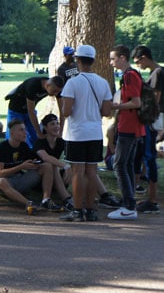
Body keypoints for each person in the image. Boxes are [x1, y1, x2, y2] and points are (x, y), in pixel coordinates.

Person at [58, 45, 113, 221]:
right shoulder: (103, 82)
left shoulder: (72, 82)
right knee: (92, 172)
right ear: (93, 60)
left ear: (78, 60)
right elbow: (106, 111)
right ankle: (91, 210)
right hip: (95, 132)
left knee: (77, 172)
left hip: (76, 133)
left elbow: (66, 112)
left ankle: (77, 210)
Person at [107, 44, 144, 220]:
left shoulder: (129, 76)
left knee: (119, 164)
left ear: (123, 58)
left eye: (113, 58)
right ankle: (129, 202)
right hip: (133, 126)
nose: (111, 62)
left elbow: (136, 102)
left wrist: (117, 106)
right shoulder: (130, 74)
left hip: (129, 126)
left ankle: (129, 206)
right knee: (127, 164)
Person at [0, 120, 58, 213]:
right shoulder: (1, 148)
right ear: (12, 133)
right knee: (1, 182)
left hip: (20, 180)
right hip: (6, 183)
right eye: (21, 130)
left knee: (47, 166)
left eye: (25, 130)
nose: (25, 133)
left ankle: (46, 200)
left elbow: (32, 161)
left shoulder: (24, 146)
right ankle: (29, 204)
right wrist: (21, 166)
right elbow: (0, 173)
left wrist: (34, 164)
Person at [132, 45, 161, 214]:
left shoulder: (157, 73)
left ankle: (152, 200)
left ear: (144, 57)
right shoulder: (156, 72)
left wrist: (146, 118)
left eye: (138, 62)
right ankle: (150, 198)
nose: (138, 66)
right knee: (146, 156)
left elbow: (155, 99)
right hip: (154, 121)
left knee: (149, 158)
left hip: (152, 121)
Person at [4, 75, 65, 147]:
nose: (56, 94)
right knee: (17, 137)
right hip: (15, 110)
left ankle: (35, 155)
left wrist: (61, 132)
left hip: (29, 112)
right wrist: (39, 132)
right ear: (47, 85)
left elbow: (62, 112)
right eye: (54, 91)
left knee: (35, 138)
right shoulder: (33, 85)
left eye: (58, 92)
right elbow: (31, 111)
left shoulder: (55, 87)